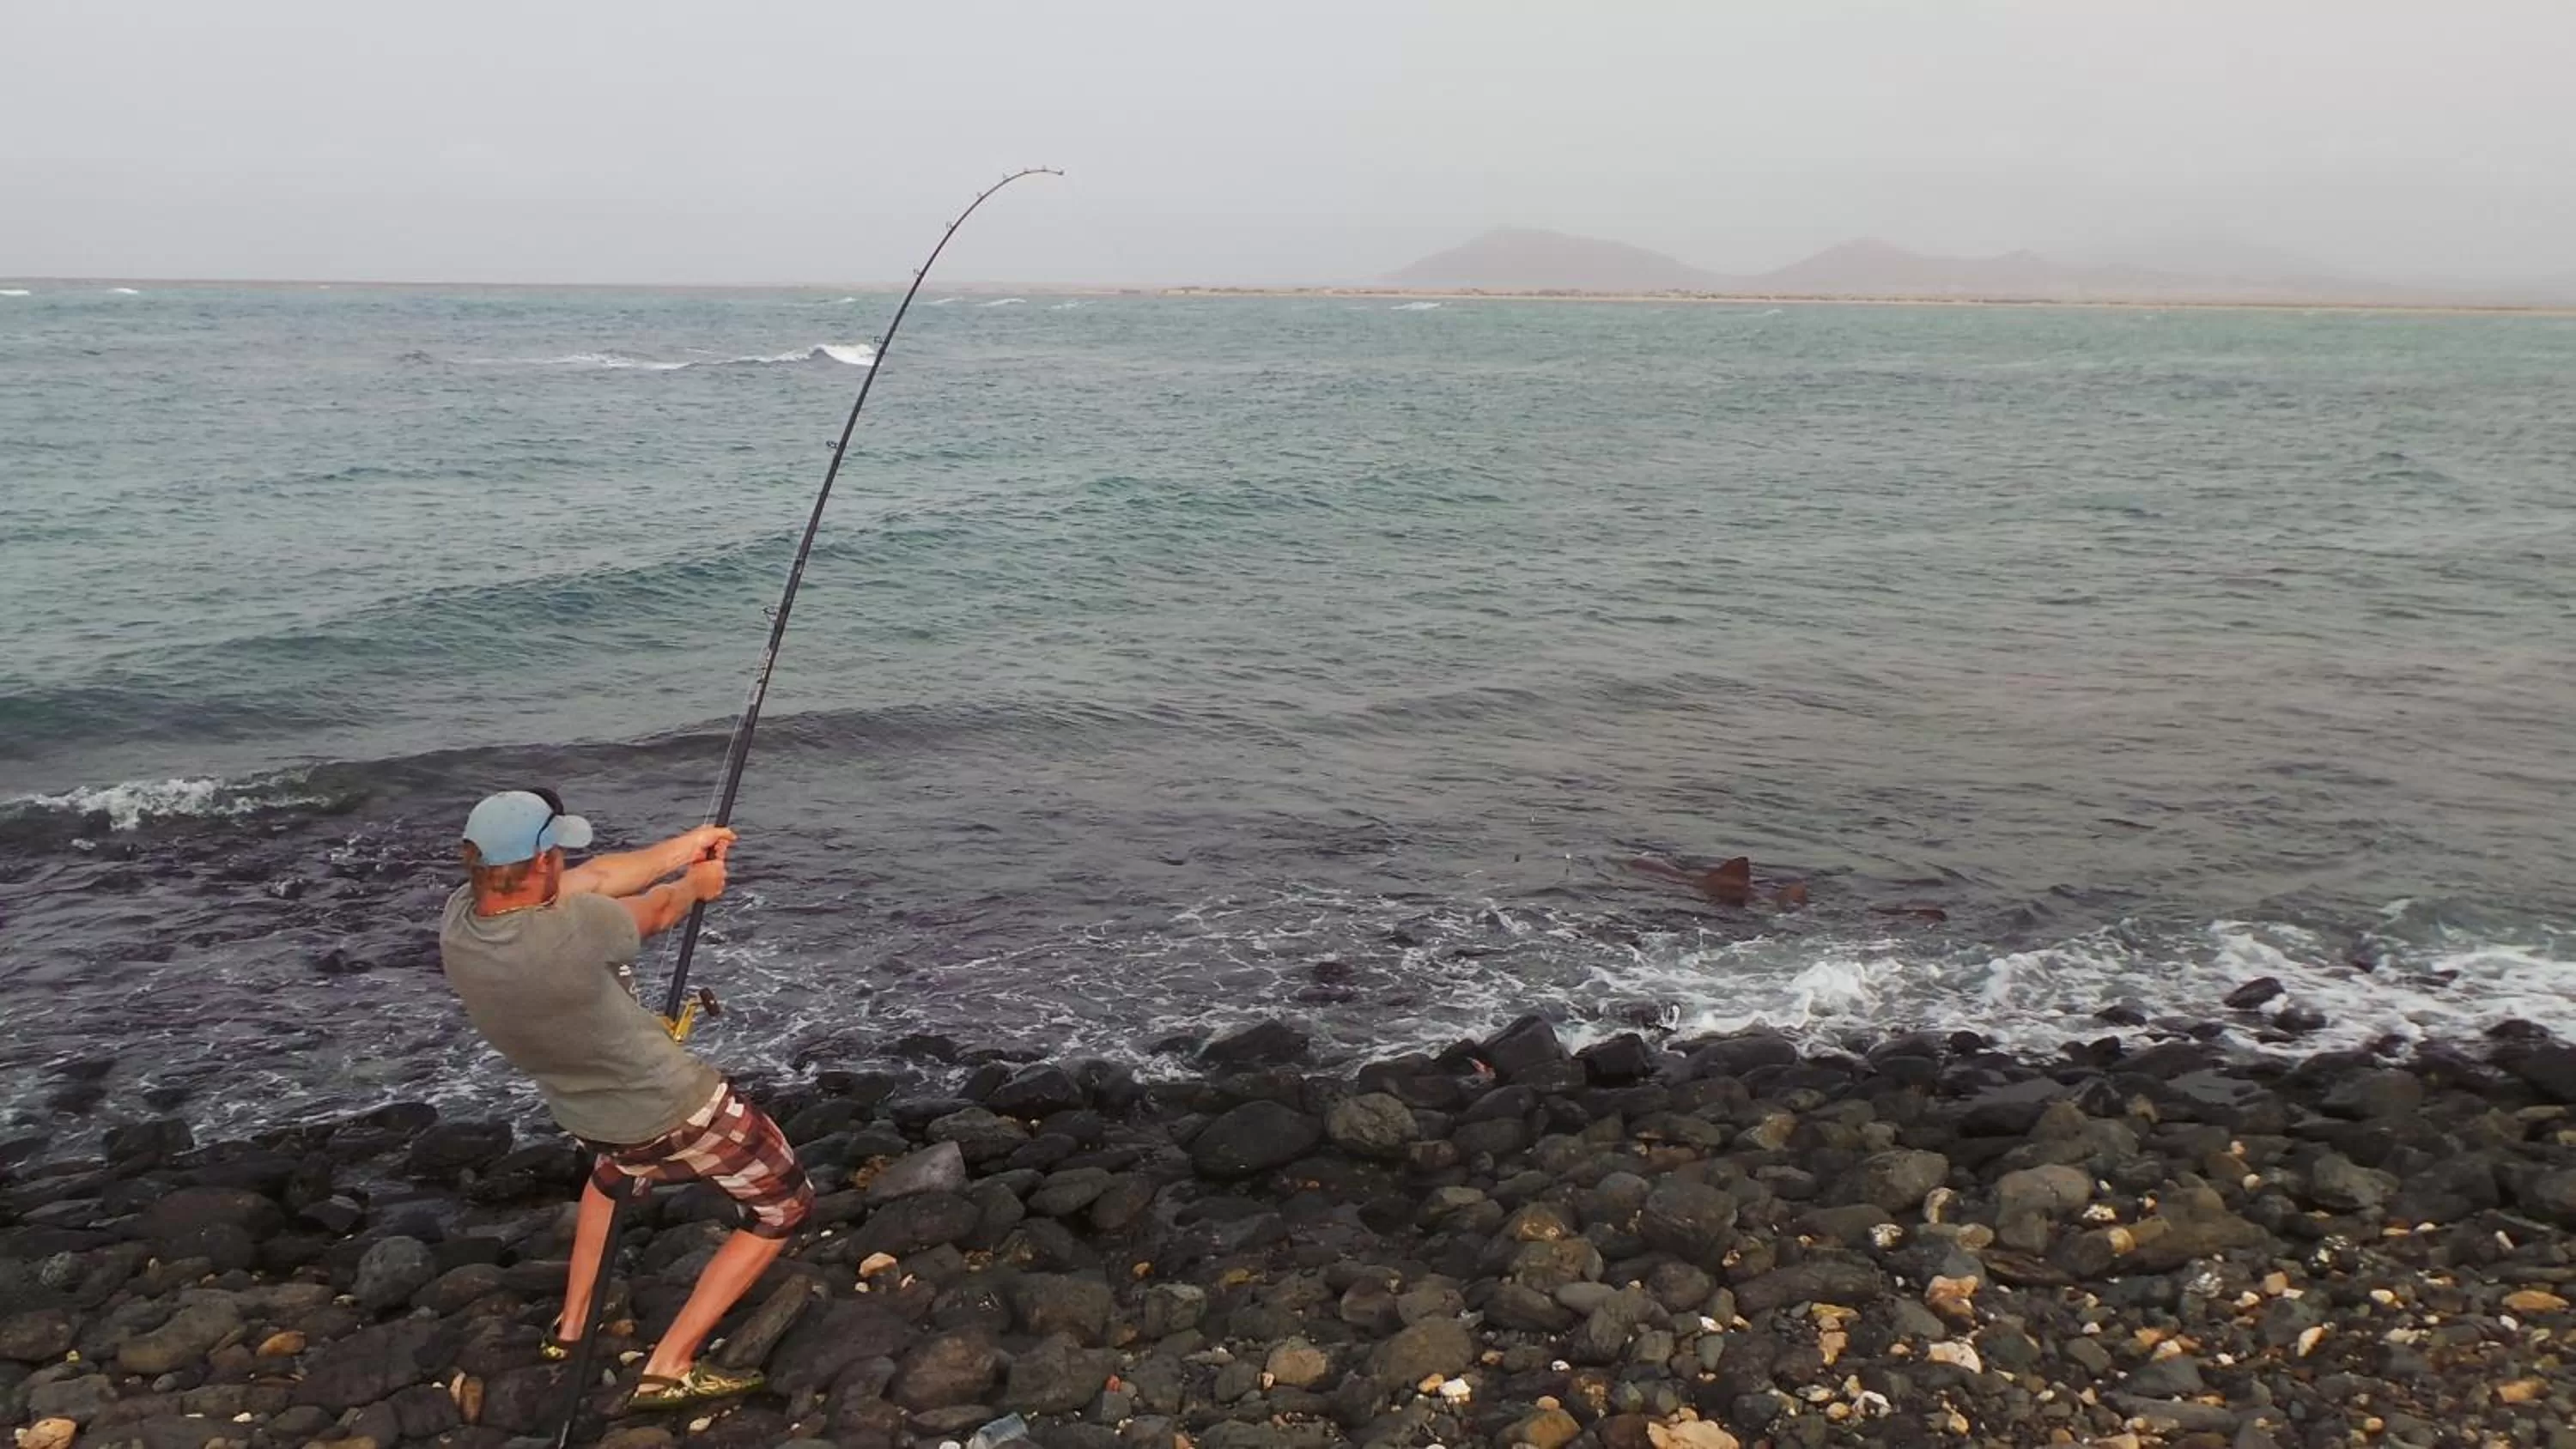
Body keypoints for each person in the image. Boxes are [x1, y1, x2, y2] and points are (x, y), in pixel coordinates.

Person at [435, 786, 814, 1412]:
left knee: (613, 1176)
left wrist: (687, 846)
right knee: (786, 1207)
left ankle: (574, 1326)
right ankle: (669, 1366)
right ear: (537, 865)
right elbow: (660, 909)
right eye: (556, 852)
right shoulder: (574, 931)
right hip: (676, 1106)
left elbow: (603, 876)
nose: (563, 861)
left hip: (586, 1114)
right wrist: (699, 883)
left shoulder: (461, 919)